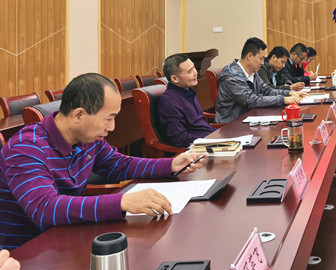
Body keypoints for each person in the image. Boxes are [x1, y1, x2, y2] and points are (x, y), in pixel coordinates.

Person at [0, 73, 206, 250]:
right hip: (26, 253)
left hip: (68, 235)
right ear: (78, 115)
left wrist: (170, 164)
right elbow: (45, 209)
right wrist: (122, 202)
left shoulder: (88, 139)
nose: (112, 127)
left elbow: (119, 164)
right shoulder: (26, 147)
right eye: (108, 118)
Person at [216, 37, 307, 123]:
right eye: (261, 59)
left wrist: (289, 93)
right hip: (231, 125)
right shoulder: (232, 77)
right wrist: (283, 99)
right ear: (250, 56)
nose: (263, 63)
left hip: (249, 119)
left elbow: (267, 90)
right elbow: (251, 100)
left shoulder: (253, 73)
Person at [158, 53, 215, 147]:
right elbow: (179, 139)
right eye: (190, 71)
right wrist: (210, 140)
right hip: (199, 147)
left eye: (194, 68)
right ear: (175, 78)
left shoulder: (188, 91)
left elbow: (199, 125)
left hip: (209, 138)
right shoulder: (169, 101)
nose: (196, 73)